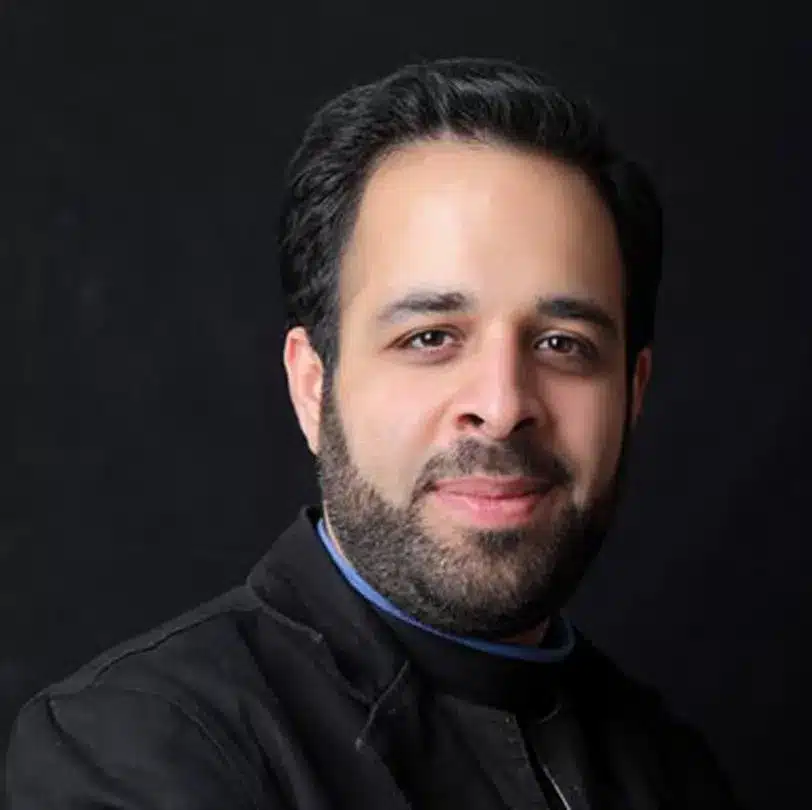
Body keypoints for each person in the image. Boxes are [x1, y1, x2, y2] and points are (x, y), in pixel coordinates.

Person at [5, 57, 740, 809]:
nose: (501, 405)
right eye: (430, 337)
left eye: (562, 344)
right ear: (312, 385)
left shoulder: (674, 773)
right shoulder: (134, 755)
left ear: (632, 393)